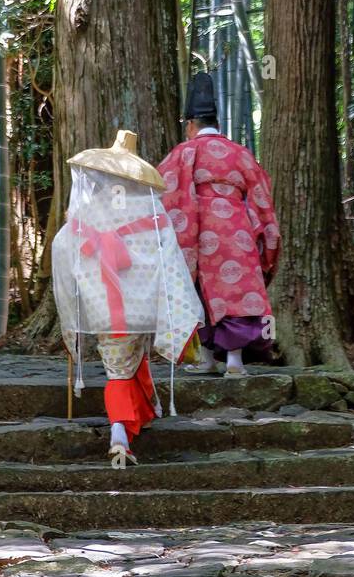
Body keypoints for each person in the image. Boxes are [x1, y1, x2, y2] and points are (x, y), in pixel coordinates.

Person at [52, 129, 203, 465]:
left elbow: (62, 246)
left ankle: (127, 425)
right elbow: (169, 258)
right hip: (142, 304)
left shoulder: (87, 212)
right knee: (131, 358)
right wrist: (177, 303)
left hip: (103, 305)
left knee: (118, 366)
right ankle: (122, 431)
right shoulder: (150, 211)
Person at [158, 73, 281, 377]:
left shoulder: (183, 152)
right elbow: (262, 197)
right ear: (217, 122)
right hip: (238, 229)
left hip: (198, 229)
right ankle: (234, 361)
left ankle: (207, 358)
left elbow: (163, 191)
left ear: (190, 125)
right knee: (234, 290)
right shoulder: (241, 153)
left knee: (201, 290)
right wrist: (264, 235)